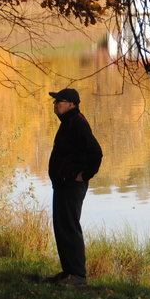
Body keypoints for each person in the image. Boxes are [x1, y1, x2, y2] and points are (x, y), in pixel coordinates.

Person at [44, 88, 103, 287]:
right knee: (61, 226)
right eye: (55, 101)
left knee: (69, 226)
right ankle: (68, 272)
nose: (55, 104)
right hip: (63, 183)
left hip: (71, 185)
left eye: (59, 101)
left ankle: (78, 275)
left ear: (71, 104)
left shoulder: (77, 123)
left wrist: (84, 175)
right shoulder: (68, 122)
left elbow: (96, 152)